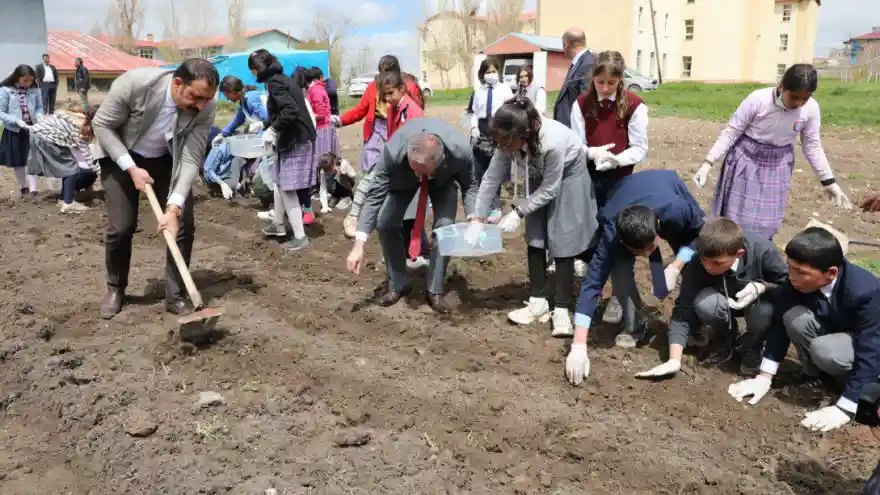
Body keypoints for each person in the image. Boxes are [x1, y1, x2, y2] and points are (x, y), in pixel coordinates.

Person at [92, 58, 218, 320]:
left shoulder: (204, 107)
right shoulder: (135, 85)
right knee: (121, 227)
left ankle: (175, 296)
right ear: (177, 84)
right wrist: (130, 168)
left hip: (165, 160)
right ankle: (116, 289)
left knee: (182, 226)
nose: (201, 105)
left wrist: (174, 207)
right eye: (196, 97)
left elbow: (192, 158)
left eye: (207, 99)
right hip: (121, 156)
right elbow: (102, 125)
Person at [468, 97, 599, 336]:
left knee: (563, 238)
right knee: (535, 234)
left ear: (525, 134)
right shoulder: (507, 140)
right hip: (538, 170)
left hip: (569, 174)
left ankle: (561, 308)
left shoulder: (552, 142)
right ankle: (538, 300)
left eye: (508, 144)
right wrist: (477, 218)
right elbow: (490, 178)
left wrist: (518, 211)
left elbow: (551, 188)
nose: (504, 149)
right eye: (500, 143)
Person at [728, 227, 880, 433]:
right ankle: (815, 380)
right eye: (790, 267)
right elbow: (780, 326)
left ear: (831, 273)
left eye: (800, 272)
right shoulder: (797, 283)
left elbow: (870, 349)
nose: (791, 276)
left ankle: (856, 390)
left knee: (825, 350)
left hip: (868, 347)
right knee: (793, 317)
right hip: (837, 334)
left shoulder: (865, 291)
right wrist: (764, 377)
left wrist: (846, 407)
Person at [565, 170, 705, 385]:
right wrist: (578, 344)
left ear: (657, 228)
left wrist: (676, 266)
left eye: (650, 249)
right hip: (626, 195)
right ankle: (635, 326)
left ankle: (693, 324)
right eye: (639, 252)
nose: (647, 256)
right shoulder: (612, 228)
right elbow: (593, 283)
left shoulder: (676, 210)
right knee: (619, 270)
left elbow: (698, 234)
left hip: (665, 185)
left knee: (694, 264)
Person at [693, 64, 853, 239]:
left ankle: (759, 252)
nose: (799, 103)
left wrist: (829, 182)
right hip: (746, 159)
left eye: (805, 98)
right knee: (736, 217)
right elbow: (732, 132)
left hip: (778, 164)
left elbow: (812, 145)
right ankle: (731, 253)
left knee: (767, 221)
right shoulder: (758, 100)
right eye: (794, 97)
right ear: (781, 86)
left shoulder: (811, 109)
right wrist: (708, 163)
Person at [345, 118, 477, 315]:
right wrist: (358, 245)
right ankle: (398, 283)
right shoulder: (393, 152)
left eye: (423, 172)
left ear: (440, 160)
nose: (420, 177)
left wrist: (473, 218)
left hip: (443, 181)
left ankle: (435, 290)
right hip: (403, 179)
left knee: (445, 229)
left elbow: (470, 186)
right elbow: (374, 197)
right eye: (416, 170)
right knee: (385, 223)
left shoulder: (460, 151)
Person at [635, 218, 789, 379]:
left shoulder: (763, 251)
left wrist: (763, 287)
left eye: (717, 263)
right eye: (704, 260)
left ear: (739, 254)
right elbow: (683, 310)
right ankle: (726, 337)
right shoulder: (697, 263)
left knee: (763, 312)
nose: (709, 267)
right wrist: (674, 359)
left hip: (758, 303)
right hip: (722, 301)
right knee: (705, 303)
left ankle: (754, 346)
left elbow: (788, 286)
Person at [570, 50, 650, 325]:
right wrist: (591, 153)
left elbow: (639, 148)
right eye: (600, 82)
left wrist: (617, 159)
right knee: (593, 235)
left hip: (621, 181)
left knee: (617, 236)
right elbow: (576, 143)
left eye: (611, 83)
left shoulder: (635, 106)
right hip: (590, 179)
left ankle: (617, 296)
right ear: (593, 79)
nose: (604, 88)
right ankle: (595, 288)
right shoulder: (581, 103)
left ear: (620, 81)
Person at [252, 49, 317, 253]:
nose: (253, 74)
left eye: (253, 70)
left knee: (287, 189)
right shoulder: (280, 79)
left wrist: (272, 130)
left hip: (296, 140)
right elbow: (284, 111)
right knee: (279, 183)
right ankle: (279, 225)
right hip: (293, 139)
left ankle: (300, 237)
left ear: (258, 69)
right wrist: (264, 124)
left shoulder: (275, 83)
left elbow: (290, 111)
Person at [332, 54, 424, 173]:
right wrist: (341, 120)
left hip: (399, 126)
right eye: (381, 72)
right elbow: (360, 109)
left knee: (398, 164)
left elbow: (416, 109)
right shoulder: (373, 86)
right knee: (373, 166)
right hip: (376, 130)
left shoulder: (408, 85)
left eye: (387, 72)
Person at [25, 106, 100, 213]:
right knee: (71, 166)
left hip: (37, 134)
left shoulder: (76, 117)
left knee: (68, 166)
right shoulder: (81, 127)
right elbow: (88, 156)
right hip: (47, 137)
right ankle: (68, 203)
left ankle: (63, 199)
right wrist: (100, 173)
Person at [469, 57, 514, 223]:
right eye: (487, 72)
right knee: (479, 172)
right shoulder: (478, 91)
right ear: (482, 74)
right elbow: (474, 112)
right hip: (481, 132)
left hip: (498, 131)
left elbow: (509, 111)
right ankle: (483, 206)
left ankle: (495, 207)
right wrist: (473, 128)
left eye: (494, 71)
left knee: (494, 171)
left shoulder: (505, 90)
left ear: (498, 73)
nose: (491, 75)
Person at [0, 64, 42, 198]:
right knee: (17, 160)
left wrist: (40, 116)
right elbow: (1, 112)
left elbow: (39, 107)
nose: (29, 83)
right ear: (17, 77)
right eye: (25, 81)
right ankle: (24, 187)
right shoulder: (6, 90)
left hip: (31, 129)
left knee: (32, 159)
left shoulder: (35, 90)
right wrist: (16, 121)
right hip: (14, 130)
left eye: (31, 80)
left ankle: (34, 190)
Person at [305, 67, 340, 214]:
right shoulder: (319, 89)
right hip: (325, 128)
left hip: (321, 130)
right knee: (325, 165)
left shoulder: (315, 91)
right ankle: (325, 194)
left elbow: (320, 113)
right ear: (320, 77)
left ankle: (333, 194)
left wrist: (307, 116)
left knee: (323, 164)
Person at [553, 28, 594, 128]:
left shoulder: (588, 63)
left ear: (566, 44)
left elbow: (588, 102)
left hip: (575, 129)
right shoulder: (579, 62)